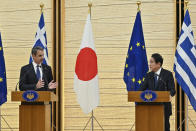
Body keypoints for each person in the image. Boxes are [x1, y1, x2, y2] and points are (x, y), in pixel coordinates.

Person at [139, 53, 176, 131]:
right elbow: (141, 90)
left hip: (164, 107)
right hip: (151, 107)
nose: (150, 64)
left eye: (152, 62)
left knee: (165, 128)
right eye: (150, 62)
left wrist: (170, 95)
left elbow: (173, 90)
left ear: (158, 64)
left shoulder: (167, 74)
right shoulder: (148, 75)